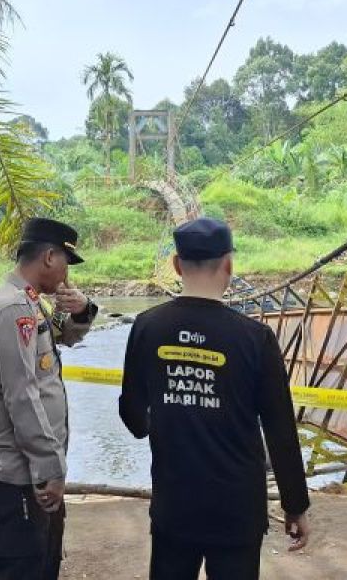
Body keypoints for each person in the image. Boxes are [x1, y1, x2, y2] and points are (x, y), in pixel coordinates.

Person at [119, 218, 311, 580]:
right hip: (237, 511)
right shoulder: (256, 338)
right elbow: (280, 430)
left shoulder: (148, 326)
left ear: (177, 265)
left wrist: (158, 421)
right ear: (229, 265)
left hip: (174, 504)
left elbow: (131, 413)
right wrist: (295, 505)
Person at [0, 217, 99, 580]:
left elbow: (63, 338)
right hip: (20, 475)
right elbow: (23, 397)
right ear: (48, 257)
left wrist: (80, 309)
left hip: (31, 474)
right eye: (65, 264)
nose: (65, 274)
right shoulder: (13, 309)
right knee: (17, 569)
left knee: (42, 564)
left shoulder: (30, 304)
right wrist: (50, 468)